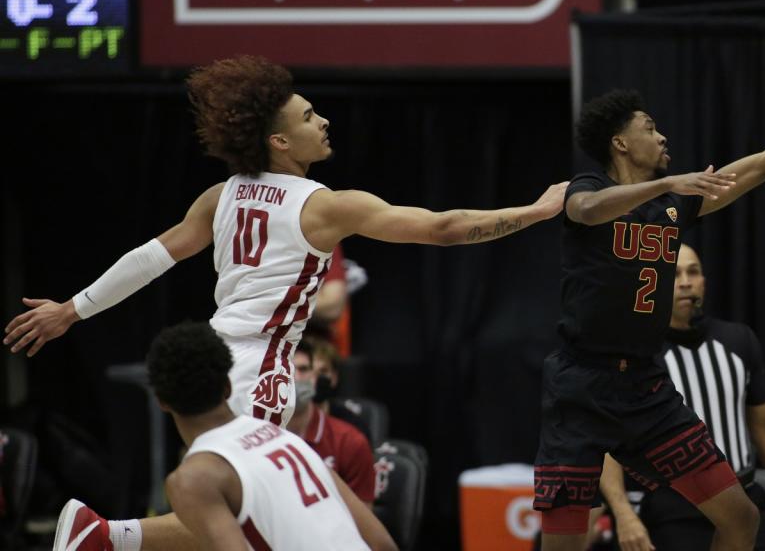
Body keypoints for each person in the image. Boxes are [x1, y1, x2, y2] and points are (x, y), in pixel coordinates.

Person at [3, 55, 566, 550]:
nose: (322, 121)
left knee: (241, 507)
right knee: (250, 513)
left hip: (213, 357)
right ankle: (107, 536)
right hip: (258, 367)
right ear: (278, 142)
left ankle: (106, 537)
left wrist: (70, 310)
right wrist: (536, 213)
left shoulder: (221, 195)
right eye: (307, 117)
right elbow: (442, 229)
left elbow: (151, 257)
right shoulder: (321, 205)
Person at [535, 75, 765, 551]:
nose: (662, 136)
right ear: (620, 142)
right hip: (579, 386)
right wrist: (667, 182)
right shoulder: (590, 186)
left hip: (645, 388)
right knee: (568, 542)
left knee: (741, 517)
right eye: (650, 128)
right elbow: (586, 210)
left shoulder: (673, 205)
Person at [52, 320, 396, 551]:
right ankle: (109, 535)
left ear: (161, 401)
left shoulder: (195, 477)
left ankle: (109, 536)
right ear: (229, 385)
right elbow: (383, 544)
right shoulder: (289, 439)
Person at [600, 244, 765, 550]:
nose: (686, 281)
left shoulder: (739, 341)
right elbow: (609, 442)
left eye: (693, 271)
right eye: (673, 274)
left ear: (705, 281)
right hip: (675, 509)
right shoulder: (637, 355)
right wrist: (624, 515)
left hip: (744, 500)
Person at [287, 339, 376, 507]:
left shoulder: (351, 442)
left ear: (315, 377)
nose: (296, 378)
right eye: (288, 369)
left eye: (304, 369)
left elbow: (363, 526)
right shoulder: (252, 437)